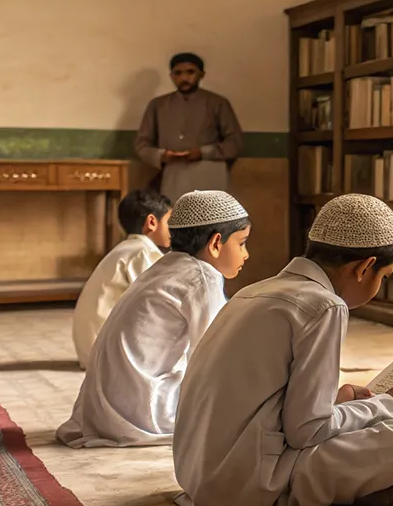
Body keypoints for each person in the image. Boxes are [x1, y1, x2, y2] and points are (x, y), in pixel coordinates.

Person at [173, 194, 393, 506]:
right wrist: (390, 404)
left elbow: (275, 406)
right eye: (383, 277)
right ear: (365, 267)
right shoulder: (324, 305)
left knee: (374, 426)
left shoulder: (254, 291)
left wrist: (339, 403)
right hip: (247, 483)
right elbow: (306, 432)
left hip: (197, 476)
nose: (379, 287)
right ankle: (341, 489)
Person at [56, 190, 251, 448]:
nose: (246, 254)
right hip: (139, 412)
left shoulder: (166, 265)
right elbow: (213, 356)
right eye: (242, 243)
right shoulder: (202, 277)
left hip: (102, 408)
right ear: (216, 243)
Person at [72, 189, 172, 370]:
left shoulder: (127, 248)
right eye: (168, 221)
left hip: (92, 350)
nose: (172, 229)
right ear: (151, 222)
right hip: (104, 356)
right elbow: (152, 302)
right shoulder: (142, 252)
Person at [134, 52, 243, 204]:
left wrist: (203, 153)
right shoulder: (158, 105)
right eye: (178, 73)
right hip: (174, 174)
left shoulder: (218, 103)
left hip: (210, 173)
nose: (184, 78)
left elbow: (235, 143)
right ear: (171, 76)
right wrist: (162, 155)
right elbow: (142, 145)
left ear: (202, 74)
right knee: (175, 220)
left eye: (190, 72)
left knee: (210, 222)